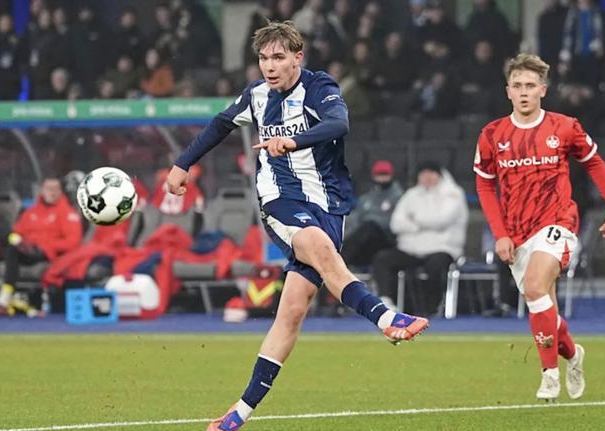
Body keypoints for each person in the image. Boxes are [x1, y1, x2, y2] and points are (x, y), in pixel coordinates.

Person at [166, 21, 429, 431]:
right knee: (319, 248)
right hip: (280, 199)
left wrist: (293, 140)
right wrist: (182, 164)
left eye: (278, 57)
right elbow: (219, 125)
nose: (269, 66)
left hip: (330, 205)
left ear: (297, 58)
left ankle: (240, 412)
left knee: (290, 312)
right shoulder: (256, 95)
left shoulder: (320, 88)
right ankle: (385, 318)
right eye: (263, 58)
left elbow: (339, 124)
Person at [474, 53, 605, 401]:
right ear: (508, 91)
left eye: (530, 85)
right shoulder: (492, 134)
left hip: (558, 222)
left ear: (543, 89)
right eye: (517, 86)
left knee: (535, 286)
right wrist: (500, 234)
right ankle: (573, 354)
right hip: (517, 231)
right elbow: (484, 185)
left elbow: (594, 163)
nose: (524, 92)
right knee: (541, 303)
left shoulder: (565, 127)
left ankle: (549, 375)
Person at [372, 161, 468, 315]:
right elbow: (396, 224)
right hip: (410, 249)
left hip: (442, 248)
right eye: (423, 174)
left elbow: (442, 220)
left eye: (431, 173)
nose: (427, 177)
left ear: (439, 175)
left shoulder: (453, 194)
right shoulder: (411, 195)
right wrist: (421, 225)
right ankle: (386, 302)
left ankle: (431, 308)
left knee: (436, 266)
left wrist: (414, 219)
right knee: (383, 259)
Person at [0, 177, 83, 317]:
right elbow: (17, 232)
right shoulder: (31, 212)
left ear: (61, 192)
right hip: (25, 250)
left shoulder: (68, 213)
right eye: (48, 189)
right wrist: (22, 243)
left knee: (12, 250)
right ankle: (6, 299)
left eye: (55, 189)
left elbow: (73, 242)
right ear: (42, 190)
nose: (52, 192)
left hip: (47, 253)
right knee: (10, 244)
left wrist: (45, 245)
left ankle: (4, 300)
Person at [341, 160, 403, 268]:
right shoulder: (367, 198)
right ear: (374, 176)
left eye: (385, 174)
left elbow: (395, 221)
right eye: (379, 175)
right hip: (364, 241)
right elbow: (356, 218)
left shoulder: (399, 197)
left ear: (391, 175)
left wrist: (371, 219)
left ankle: (339, 261)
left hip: (386, 239)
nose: (382, 178)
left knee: (369, 226)